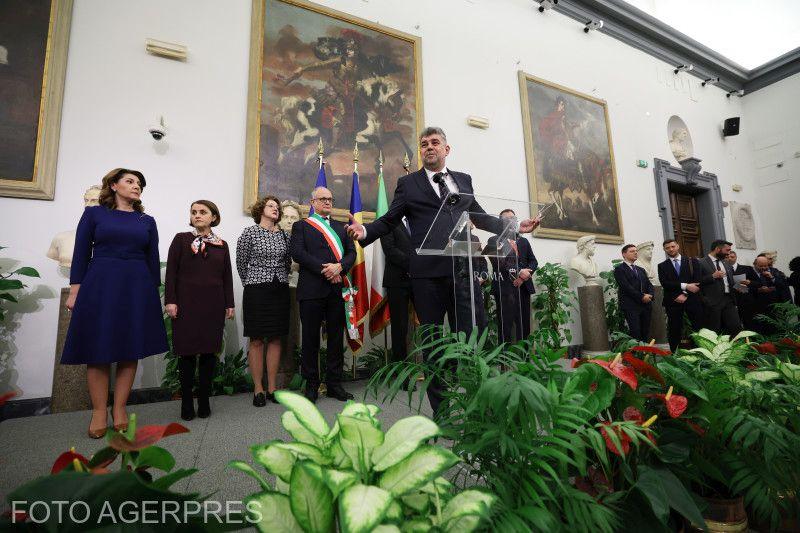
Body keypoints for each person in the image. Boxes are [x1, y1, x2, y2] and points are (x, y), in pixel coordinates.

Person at [344, 127, 540, 414]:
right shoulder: (408, 184)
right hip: (426, 275)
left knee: (472, 338)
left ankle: (478, 404)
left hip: (463, 271)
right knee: (434, 343)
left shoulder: (463, 180)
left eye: (435, 143)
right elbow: (389, 220)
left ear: (447, 149)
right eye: (423, 144)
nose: (428, 147)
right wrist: (365, 231)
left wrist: (513, 226)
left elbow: (479, 216)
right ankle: (443, 411)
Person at [62, 168, 168, 438]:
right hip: (100, 283)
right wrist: (75, 291)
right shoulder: (94, 214)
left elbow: (152, 259)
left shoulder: (147, 220)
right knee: (98, 347)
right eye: (130, 181)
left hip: (136, 286)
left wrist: (152, 293)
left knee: (129, 348)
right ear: (114, 185)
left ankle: (119, 408)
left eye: (140, 184)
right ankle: (99, 411)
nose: (136, 187)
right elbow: (81, 254)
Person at [165, 200, 234, 421]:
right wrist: (171, 301)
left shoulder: (221, 245)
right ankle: (186, 403)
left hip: (213, 305)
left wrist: (229, 303)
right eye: (194, 212)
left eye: (203, 212)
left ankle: (204, 401)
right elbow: (171, 274)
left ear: (213, 217)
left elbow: (227, 277)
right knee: (186, 354)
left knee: (208, 354)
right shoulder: (181, 240)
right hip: (185, 305)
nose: (197, 215)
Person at [291, 186, 355, 403]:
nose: (328, 202)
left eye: (330, 199)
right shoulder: (301, 226)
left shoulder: (341, 227)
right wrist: (327, 269)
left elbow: (352, 253)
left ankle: (335, 384)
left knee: (336, 339)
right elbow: (298, 253)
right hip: (311, 290)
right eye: (323, 199)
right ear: (313, 202)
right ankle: (311, 385)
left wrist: (340, 267)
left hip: (336, 290)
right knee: (310, 339)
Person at [236, 196, 292, 407]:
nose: (275, 209)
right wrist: (251, 281)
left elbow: (287, 263)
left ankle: (272, 388)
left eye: (277, 207)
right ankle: (258, 388)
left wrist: (280, 278)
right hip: (256, 289)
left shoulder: (285, 236)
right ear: (261, 210)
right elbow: (241, 262)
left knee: (276, 338)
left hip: (280, 289)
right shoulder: (249, 232)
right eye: (271, 206)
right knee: (257, 339)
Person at [485, 209, 538, 342]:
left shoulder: (523, 241)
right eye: (507, 218)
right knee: (505, 325)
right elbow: (499, 262)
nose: (512, 221)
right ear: (500, 222)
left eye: (513, 218)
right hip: (505, 288)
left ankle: (525, 357)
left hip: (523, 288)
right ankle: (504, 361)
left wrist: (523, 276)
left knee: (524, 324)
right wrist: (519, 272)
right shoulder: (494, 240)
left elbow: (533, 261)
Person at [657, 239, 702, 352]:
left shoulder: (692, 261)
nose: (671, 249)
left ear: (677, 246)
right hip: (673, 301)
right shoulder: (662, 266)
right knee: (674, 329)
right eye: (667, 248)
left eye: (672, 246)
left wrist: (685, 294)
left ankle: (699, 352)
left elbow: (697, 281)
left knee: (697, 327)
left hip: (692, 300)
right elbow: (665, 283)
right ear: (664, 249)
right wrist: (685, 286)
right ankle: (674, 353)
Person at [380, 218, 414, 366]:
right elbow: (390, 249)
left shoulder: (419, 220)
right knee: (400, 327)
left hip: (420, 280)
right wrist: (414, 264)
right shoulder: (389, 222)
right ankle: (401, 371)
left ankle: (431, 369)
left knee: (428, 322)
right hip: (397, 281)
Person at [698, 240, 741, 335]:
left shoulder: (726, 263)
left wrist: (741, 287)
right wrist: (712, 276)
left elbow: (730, 281)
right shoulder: (701, 262)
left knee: (736, 327)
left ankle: (735, 349)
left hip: (729, 300)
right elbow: (696, 282)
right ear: (717, 249)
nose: (729, 253)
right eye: (727, 250)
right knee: (714, 331)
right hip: (712, 301)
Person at [613, 244, 654, 342]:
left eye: (636, 251)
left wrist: (651, 295)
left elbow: (649, 284)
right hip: (631, 306)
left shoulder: (641, 270)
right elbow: (626, 287)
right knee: (635, 332)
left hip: (645, 305)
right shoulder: (619, 269)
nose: (635, 253)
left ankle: (644, 354)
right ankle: (636, 355)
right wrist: (641, 296)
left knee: (646, 331)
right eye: (632, 251)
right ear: (624, 254)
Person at [749, 255, 780, 335]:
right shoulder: (748, 272)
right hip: (755, 306)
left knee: (772, 328)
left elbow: (782, 285)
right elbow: (741, 288)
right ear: (755, 264)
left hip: (771, 305)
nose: (763, 268)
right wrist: (758, 290)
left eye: (765, 266)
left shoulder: (772, 272)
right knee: (759, 330)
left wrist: (772, 278)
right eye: (760, 266)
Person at [726, 250, 756, 330]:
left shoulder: (747, 268)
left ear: (736, 257)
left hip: (746, 301)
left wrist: (749, 282)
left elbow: (758, 283)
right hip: (730, 301)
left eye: (732, 257)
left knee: (749, 324)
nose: (729, 259)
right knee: (733, 326)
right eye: (727, 257)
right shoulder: (722, 270)